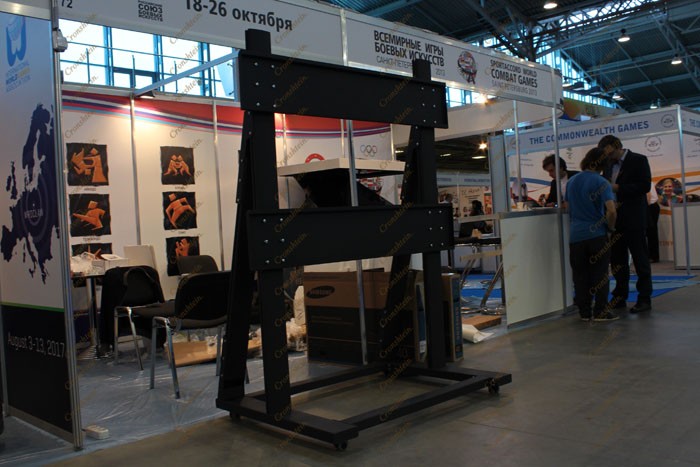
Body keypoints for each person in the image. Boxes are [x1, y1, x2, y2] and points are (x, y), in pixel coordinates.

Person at [598, 135, 652, 313]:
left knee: (640, 259)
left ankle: (644, 298)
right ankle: (619, 297)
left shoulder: (639, 160)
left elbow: (644, 186)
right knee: (617, 260)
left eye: (609, 152)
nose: (607, 156)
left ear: (617, 146)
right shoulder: (607, 165)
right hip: (615, 219)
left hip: (634, 218)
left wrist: (617, 188)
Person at [565, 147, 617, 321]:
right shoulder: (602, 182)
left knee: (580, 276)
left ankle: (585, 312)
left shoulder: (571, 181)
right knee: (600, 275)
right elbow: (611, 211)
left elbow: (567, 208)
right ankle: (601, 311)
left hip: (576, 236)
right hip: (596, 235)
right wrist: (610, 228)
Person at [647, 181, 660, 263]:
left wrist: (645, 209)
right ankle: (652, 255)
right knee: (651, 232)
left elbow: (648, 196)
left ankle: (653, 256)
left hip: (650, 207)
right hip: (652, 206)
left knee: (651, 232)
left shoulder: (645, 180)